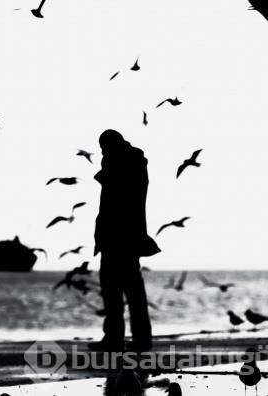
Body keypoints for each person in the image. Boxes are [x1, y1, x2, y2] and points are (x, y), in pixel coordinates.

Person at [89, 129, 160, 352]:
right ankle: (131, 338)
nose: (102, 152)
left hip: (119, 236)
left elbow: (117, 193)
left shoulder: (126, 162)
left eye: (104, 148)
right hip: (122, 235)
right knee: (126, 289)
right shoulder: (131, 161)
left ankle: (119, 339)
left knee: (117, 289)